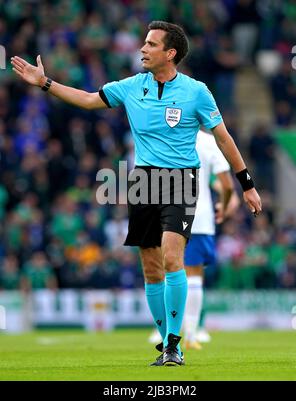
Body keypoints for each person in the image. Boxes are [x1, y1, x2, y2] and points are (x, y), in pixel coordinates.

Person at [11, 20, 262, 367]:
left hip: (179, 181)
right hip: (144, 183)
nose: (142, 49)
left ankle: (176, 343)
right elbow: (87, 99)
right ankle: (164, 340)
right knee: (151, 268)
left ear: (170, 53)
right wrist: (45, 83)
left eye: (151, 44)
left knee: (174, 259)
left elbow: (223, 138)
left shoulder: (196, 91)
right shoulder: (131, 87)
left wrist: (246, 184)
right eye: (143, 43)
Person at [148, 130, 239, 349]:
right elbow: (225, 185)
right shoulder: (209, 142)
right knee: (194, 274)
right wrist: (225, 206)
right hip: (200, 216)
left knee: (166, 270)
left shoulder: (164, 135)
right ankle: (191, 333)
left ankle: (169, 329)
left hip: (167, 213)